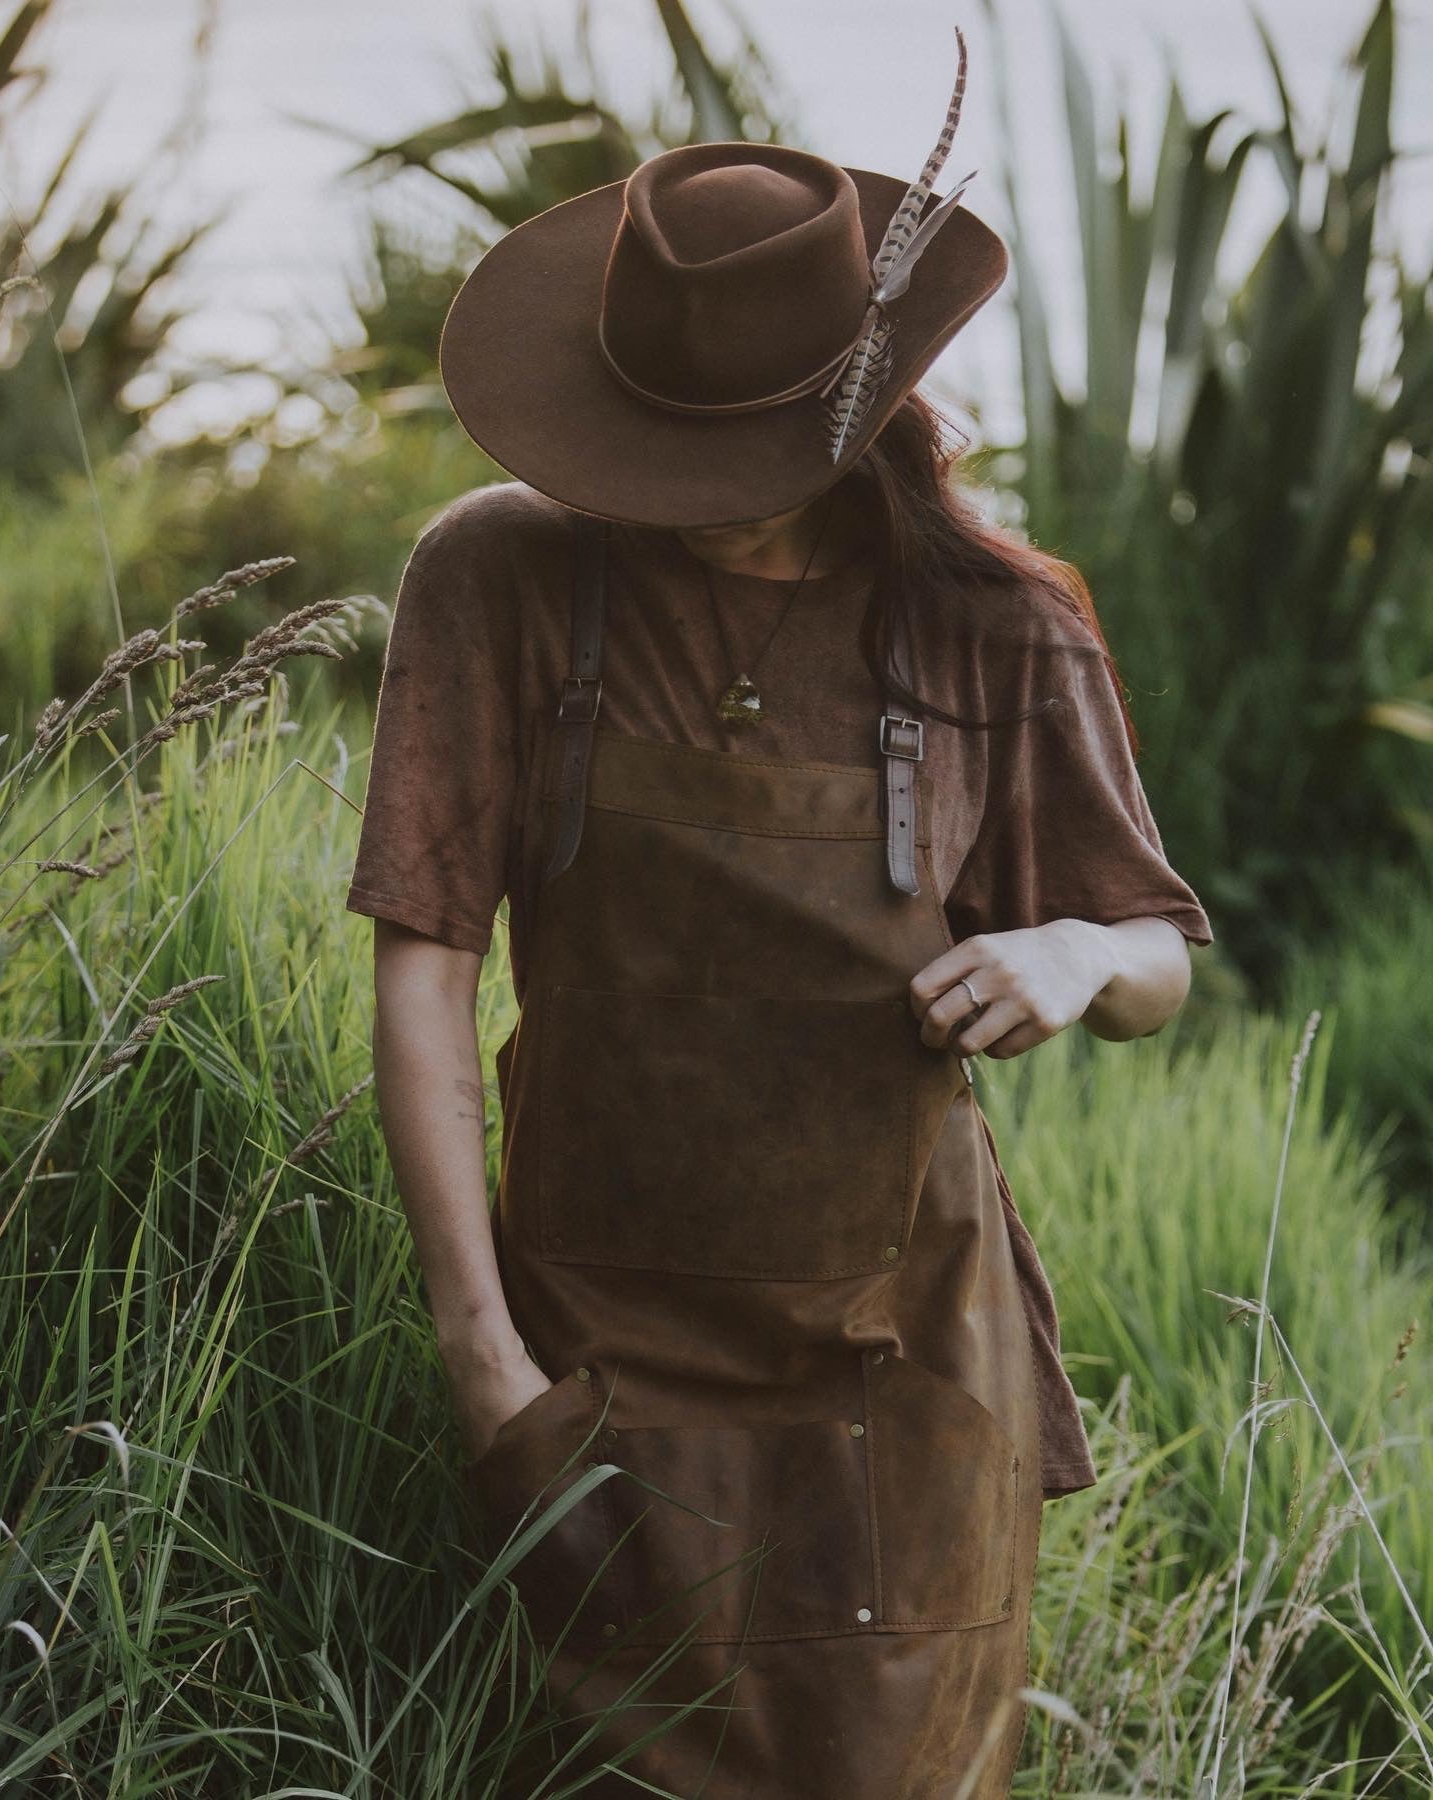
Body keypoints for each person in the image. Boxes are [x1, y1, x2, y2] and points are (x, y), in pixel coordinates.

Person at [345, 32, 1213, 1800]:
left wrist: (1079, 952)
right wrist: (485, 1369)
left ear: (860, 396)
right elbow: (426, 969)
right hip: (599, 1357)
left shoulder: (1000, 623)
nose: (688, 498)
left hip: (906, 1380)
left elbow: (1156, 959)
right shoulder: (499, 577)